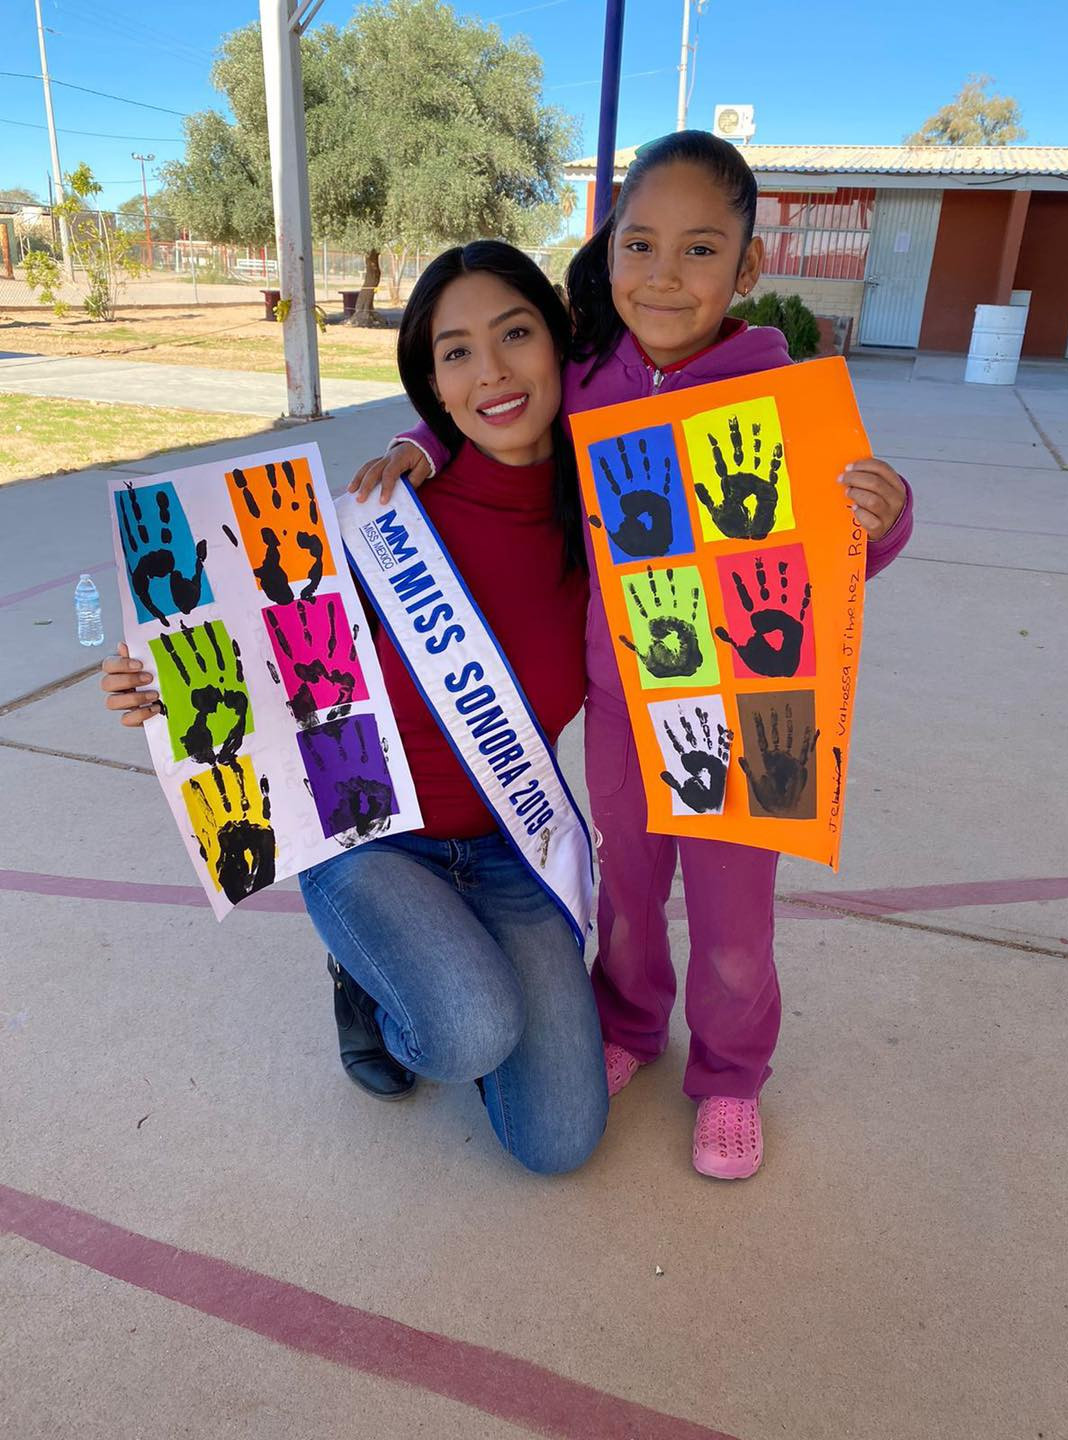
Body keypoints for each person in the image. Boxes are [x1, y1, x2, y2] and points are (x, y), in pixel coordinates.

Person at [353, 132, 913, 1181]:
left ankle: (733, 1076)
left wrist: (882, 518)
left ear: (747, 270)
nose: (664, 275)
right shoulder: (585, 382)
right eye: (640, 245)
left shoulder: (782, 391)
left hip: (752, 718)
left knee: (735, 917)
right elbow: (484, 408)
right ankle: (631, 1023)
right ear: (606, 259)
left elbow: (842, 546)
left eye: (700, 251)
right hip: (625, 711)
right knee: (628, 888)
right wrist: (418, 451)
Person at [100, 241, 608, 1176]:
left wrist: (879, 517)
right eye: (456, 352)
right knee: (465, 1035)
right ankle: (370, 985)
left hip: (508, 841)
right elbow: (257, 642)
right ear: (432, 384)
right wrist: (156, 677)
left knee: (561, 1142)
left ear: (558, 343)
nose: (492, 370)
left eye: (515, 333)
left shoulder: (605, 517)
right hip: (369, 837)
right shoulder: (380, 513)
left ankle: (455, 970)